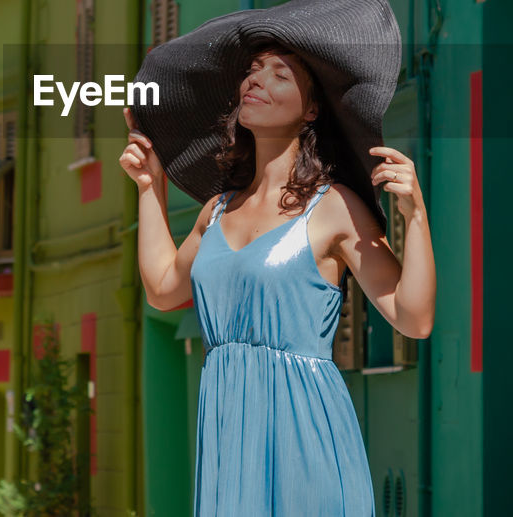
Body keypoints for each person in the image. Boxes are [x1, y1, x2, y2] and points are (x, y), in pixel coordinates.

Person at [119, 29, 436, 515]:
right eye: (252, 71)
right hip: (229, 436)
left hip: (305, 438)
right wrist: (149, 188)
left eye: (278, 73)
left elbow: (413, 318)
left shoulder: (334, 207)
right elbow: (163, 290)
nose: (255, 80)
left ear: (311, 110)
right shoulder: (217, 210)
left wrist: (415, 215)